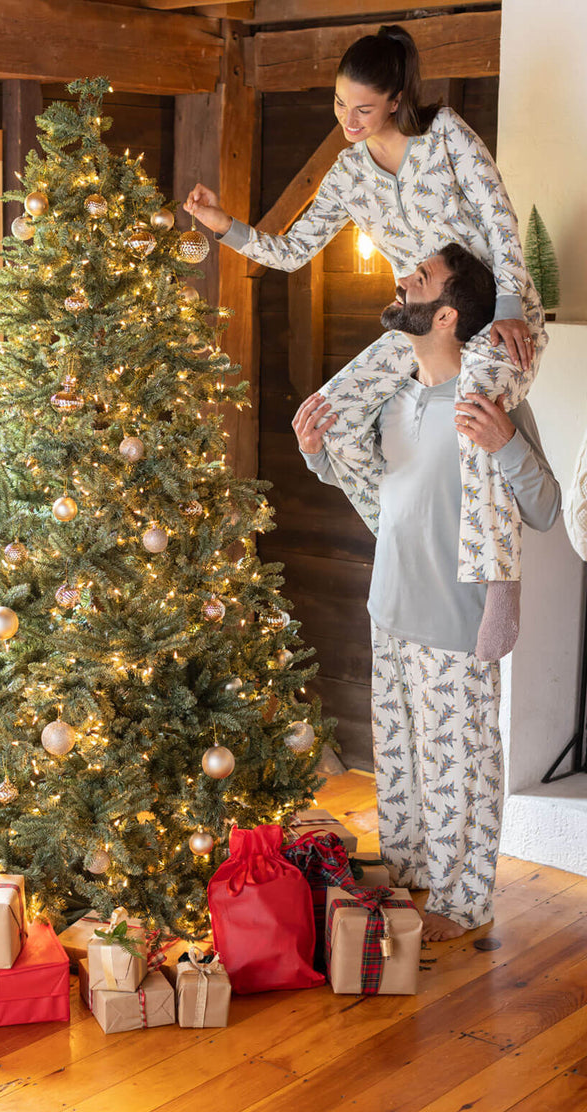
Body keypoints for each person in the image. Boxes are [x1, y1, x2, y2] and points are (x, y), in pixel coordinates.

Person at [184, 23, 548, 661]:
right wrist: (225, 226)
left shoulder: (445, 136)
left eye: (362, 108)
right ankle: (400, 537)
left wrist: (515, 304)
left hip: (494, 316)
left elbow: (497, 212)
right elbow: (293, 250)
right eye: (338, 105)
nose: (348, 120)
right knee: (329, 414)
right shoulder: (349, 173)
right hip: (419, 319)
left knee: (475, 421)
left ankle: (498, 581)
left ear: (394, 101)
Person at [292, 243, 560, 940]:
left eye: (420, 277)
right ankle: (411, 879)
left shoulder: (490, 400)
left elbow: (545, 507)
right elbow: (381, 490)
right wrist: (318, 451)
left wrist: (507, 445)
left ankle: (463, 904)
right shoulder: (396, 397)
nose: (401, 278)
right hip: (390, 607)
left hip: (458, 616)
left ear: (444, 315)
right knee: (405, 762)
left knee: (459, 769)